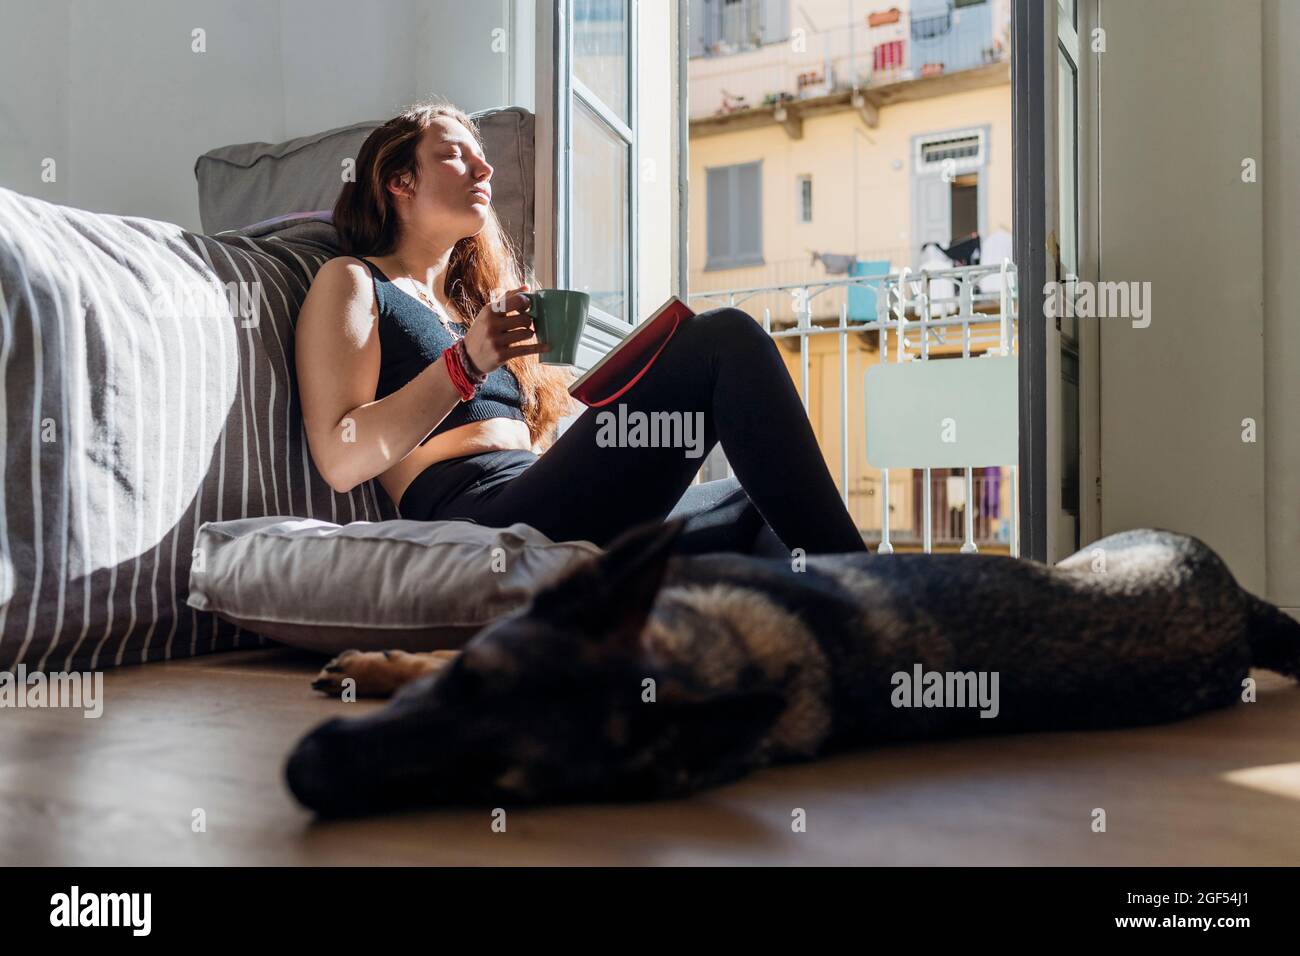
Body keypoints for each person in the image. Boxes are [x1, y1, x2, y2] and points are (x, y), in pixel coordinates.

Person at [295, 100, 866, 556]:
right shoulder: (353, 281)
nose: (484, 168)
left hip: (539, 492)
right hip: (481, 519)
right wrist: (465, 364)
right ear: (399, 181)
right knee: (723, 339)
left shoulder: (474, 307)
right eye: (454, 154)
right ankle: (877, 599)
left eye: (482, 155)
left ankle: (810, 652)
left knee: (755, 504)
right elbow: (341, 460)